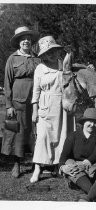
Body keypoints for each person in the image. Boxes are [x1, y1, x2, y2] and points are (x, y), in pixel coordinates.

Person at [30, 36, 74, 183]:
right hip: (45, 105)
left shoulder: (63, 65)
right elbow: (35, 91)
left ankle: (57, 165)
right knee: (42, 137)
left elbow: (72, 77)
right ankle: (37, 168)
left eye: (54, 51)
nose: (52, 54)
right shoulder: (40, 69)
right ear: (43, 55)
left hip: (61, 105)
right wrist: (35, 110)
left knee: (60, 136)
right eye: (48, 52)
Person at [1, 26, 40, 178]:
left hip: (35, 103)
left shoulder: (38, 58)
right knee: (16, 133)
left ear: (31, 42)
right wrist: (9, 105)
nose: (26, 41)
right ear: (18, 42)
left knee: (34, 133)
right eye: (23, 39)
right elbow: (7, 83)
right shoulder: (12, 59)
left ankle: (36, 164)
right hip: (17, 103)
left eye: (28, 39)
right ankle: (16, 164)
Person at [59, 108, 96, 202]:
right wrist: (63, 168)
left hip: (95, 167)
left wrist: (84, 164)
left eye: (95, 122)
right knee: (69, 162)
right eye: (89, 121)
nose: (92, 125)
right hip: (77, 169)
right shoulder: (72, 136)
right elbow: (63, 157)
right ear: (84, 121)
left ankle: (89, 198)